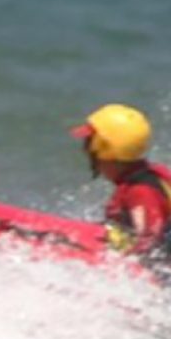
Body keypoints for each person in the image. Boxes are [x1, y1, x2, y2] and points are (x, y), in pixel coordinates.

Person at [70, 103, 171, 256]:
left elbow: (149, 244)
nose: (85, 149)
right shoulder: (145, 174)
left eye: (89, 142)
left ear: (103, 148)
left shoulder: (141, 192)